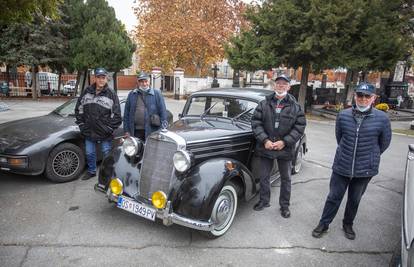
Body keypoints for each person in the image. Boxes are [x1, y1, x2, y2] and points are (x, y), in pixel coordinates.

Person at [311, 82, 392, 240]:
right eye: (360, 95)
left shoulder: (382, 119)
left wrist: (370, 155)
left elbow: (384, 143)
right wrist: (348, 153)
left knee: (354, 199)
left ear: (373, 98)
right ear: (355, 96)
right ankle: (324, 223)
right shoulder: (343, 115)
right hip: (342, 164)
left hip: (365, 168)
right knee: (333, 197)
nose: (363, 99)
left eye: (367, 96)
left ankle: (348, 224)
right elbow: (339, 137)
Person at [251, 74, 306, 218]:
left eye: (284, 84)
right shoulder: (264, 104)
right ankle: (264, 201)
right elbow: (256, 123)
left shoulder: (295, 106)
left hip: (285, 149)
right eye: (278, 83)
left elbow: (299, 127)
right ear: (274, 85)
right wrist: (265, 140)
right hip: (266, 147)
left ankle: (284, 206)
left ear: (288, 86)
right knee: (264, 177)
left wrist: (285, 142)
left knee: (286, 178)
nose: (281, 86)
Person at [75, 68, 122, 180]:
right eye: (99, 77)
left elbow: (117, 115)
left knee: (106, 154)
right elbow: (79, 109)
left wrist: (108, 128)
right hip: (89, 130)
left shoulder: (111, 94)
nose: (101, 80)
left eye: (103, 78)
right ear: (95, 78)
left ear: (106, 79)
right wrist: (82, 125)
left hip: (104, 132)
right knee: (89, 153)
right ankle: (92, 171)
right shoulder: (87, 91)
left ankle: (106, 174)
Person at [123, 71, 167, 140]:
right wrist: (126, 130)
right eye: (141, 81)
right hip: (135, 132)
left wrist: (162, 130)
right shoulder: (132, 94)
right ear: (138, 82)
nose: (144, 84)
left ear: (149, 82)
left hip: (153, 131)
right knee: (137, 150)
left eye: (146, 81)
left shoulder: (156, 94)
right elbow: (126, 115)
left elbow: (163, 113)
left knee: (151, 150)